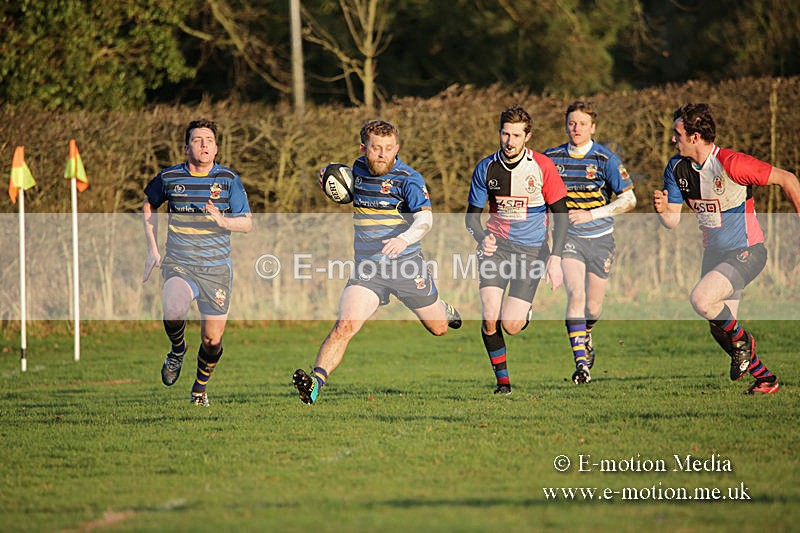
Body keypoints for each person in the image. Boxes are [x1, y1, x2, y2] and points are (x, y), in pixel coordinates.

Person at [292, 119, 461, 405]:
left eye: (389, 148)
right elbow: (337, 182)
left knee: (439, 328)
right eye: (376, 148)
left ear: (397, 148)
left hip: (407, 267)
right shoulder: (355, 171)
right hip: (368, 270)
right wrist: (326, 178)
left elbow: (425, 220)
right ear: (363, 148)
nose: (383, 154)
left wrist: (403, 240)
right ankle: (315, 384)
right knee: (345, 325)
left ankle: (442, 306)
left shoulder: (408, 179)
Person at [653, 103, 800, 394]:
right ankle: (766, 379)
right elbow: (671, 220)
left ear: (695, 137)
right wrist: (661, 211)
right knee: (720, 328)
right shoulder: (676, 167)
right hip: (714, 256)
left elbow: (788, 179)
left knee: (701, 299)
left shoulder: (732, 163)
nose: (672, 139)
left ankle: (745, 341)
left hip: (747, 251)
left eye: (677, 133)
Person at [143, 119, 252, 406]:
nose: (204, 144)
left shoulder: (228, 179)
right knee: (173, 310)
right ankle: (177, 350)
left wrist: (223, 220)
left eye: (209, 140)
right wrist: (153, 248)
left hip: (216, 269)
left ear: (216, 147)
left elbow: (247, 223)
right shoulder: (170, 177)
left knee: (212, 340)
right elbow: (149, 203)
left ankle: (199, 389)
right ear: (186, 147)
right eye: (197, 140)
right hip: (180, 263)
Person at [465, 105, 568, 395]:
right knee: (489, 316)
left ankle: (524, 313)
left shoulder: (542, 167)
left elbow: (561, 215)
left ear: (527, 137)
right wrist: (481, 237)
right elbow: (471, 218)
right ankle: (503, 382)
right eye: (505, 134)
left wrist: (556, 258)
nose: (509, 141)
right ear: (499, 133)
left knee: (510, 324)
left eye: (516, 135)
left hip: (532, 251)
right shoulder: (486, 168)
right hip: (496, 249)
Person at [543, 101, 636, 384]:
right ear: (566, 125)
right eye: (572, 123)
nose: (576, 128)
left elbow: (630, 200)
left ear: (593, 127)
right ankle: (581, 366)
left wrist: (592, 214)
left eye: (582, 123)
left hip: (601, 240)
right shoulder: (551, 158)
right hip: (569, 240)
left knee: (593, 308)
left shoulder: (606, 160)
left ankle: (587, 333)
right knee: (576, 296)